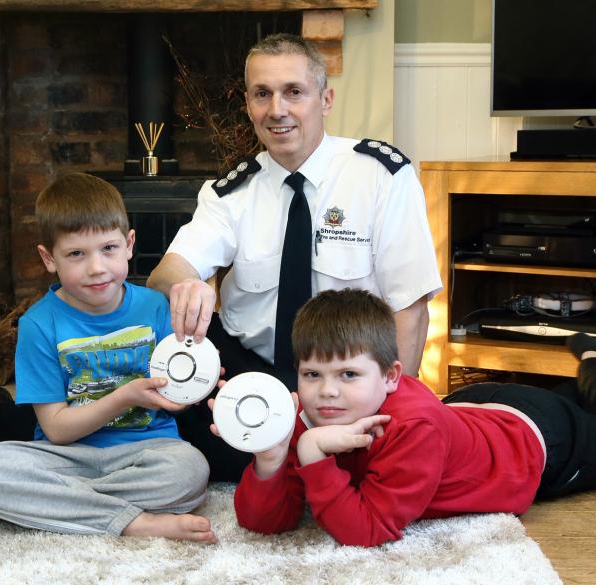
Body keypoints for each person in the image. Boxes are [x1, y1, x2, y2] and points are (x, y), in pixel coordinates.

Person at [147, 33, 441, 480]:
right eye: (262, 94)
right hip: (254, 369)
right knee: (206, 444)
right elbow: (168, 270)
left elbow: (410, 307)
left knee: (368, 463)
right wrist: (185, 284)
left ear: (325, 99)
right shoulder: (231, 192)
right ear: (248, 104)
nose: (276, 110)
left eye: (293, 92)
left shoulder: (381, 176)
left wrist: (391, 405)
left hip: (343, 376)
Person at [229, 288, 596, 547]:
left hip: (533, 441)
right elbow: (263, 523)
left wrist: (312, 453)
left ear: (391, 376)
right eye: (312, 374)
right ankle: (591, 369)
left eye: (349, 374)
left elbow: (367, 529)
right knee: (578, 403)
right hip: (470, 406)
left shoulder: (413, 428)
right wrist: (270, 461)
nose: (327, 390)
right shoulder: (310, 410)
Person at [0, 173, 215, 543]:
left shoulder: (158, 308)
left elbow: (174, 406)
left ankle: (44, 505)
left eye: (108, 248)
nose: (96, 268)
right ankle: (136, 523)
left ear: (129, 244)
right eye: (76, 254)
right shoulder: (39, 324)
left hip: (146, 453)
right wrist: (125, 396)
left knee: (190, 472)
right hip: (64, 457)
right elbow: (58, 430)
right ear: (49, 258)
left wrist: (193, 387)